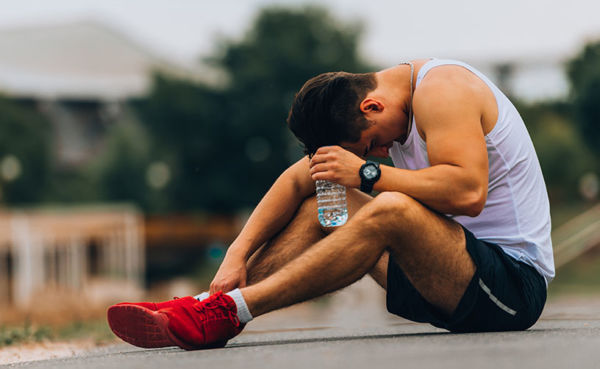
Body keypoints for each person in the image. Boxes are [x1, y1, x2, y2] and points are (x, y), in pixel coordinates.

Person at [107, 58, 554, 349]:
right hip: (439, 279)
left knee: (388, 207)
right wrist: (236, 255)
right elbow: (299, 178)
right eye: (370, 152)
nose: (378, 153)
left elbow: (469, 194)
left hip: (510, 289)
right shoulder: (380, 111)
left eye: (372, 143)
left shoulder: (444, 90)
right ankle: (209, 305)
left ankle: (233, 311)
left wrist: (367, 174)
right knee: (325, 200)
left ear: (373, 106)